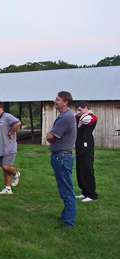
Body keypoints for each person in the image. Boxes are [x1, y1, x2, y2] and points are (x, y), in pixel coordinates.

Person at [46, 91, 77, 228]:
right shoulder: (65, 116)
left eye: (58, 100)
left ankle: (69, 222)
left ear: (65, 102)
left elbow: (49, 137)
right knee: (64, 188)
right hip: (61, 156)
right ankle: (65, 216)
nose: (55, 101)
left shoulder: (65, 117)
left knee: (67, 190)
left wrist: (50, 134)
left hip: (62, 157)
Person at [0, 102, 21, 195]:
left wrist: (11, 133)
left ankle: (16, 174)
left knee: (6, 166)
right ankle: (8, 188)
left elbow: (18, 123)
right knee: (4, 168)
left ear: (1, 108)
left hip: (9, 146)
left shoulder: (7, 117)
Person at [75, 101, 98, 202]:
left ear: (86, 108)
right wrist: (81, 113)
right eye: (78, 110)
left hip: (87, 147)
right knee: (80, 170)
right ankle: (84, 192)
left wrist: (87, 113)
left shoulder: (92, 117)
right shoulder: (79, 117)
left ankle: (92, 194)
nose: (79, 112)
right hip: (79, 146)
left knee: (87, 170)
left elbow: (85, 120)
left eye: (81, 110)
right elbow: (73, 117)